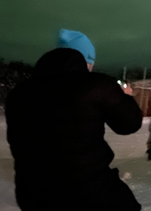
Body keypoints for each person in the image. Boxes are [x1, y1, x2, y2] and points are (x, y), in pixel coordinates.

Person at [5, 29, 143, 211]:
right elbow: (129, 124)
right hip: (89, 193)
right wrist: (126, 97)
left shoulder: (19, 93)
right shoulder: (97, 85)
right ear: (85, 61)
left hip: (32, 196)